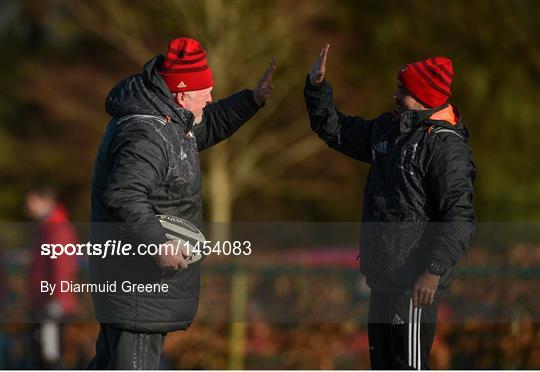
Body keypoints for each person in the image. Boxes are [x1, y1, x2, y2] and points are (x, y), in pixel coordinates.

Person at [88, 37, 276, 369]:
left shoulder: (169, 124)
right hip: (139, 286)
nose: (210, 97)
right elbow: (124, 194)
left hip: (138, 285)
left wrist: (252, 100)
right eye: (204, 91)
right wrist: (158, 244)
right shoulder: (149, 135)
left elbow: (209, 124)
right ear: (181, 94)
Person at [304, 44, 476, 369]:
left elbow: (459, 217)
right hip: (382, 279)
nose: (395, 96)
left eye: (403, 91)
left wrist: (433, 270)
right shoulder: (388, 130)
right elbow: (335, 129)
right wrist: (317, 89)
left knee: (407, 366)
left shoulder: (446, 147)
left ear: (424, 98)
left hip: (415, 288)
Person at [25, 186, 79, 368]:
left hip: (51, 305)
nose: (28, 205)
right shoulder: (45, 227)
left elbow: (63, 266)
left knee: (50, 356)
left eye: (32, 200)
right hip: (43, 302)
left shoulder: (56, 228)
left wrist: (58, 299)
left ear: (46, 201)